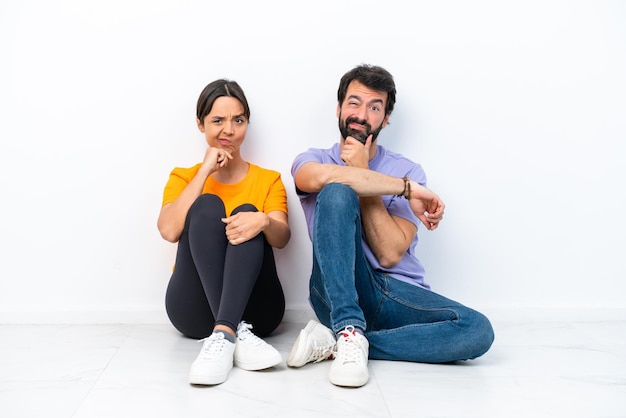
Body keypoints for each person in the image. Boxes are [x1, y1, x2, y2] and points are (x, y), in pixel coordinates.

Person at [286, 64, 494, 388]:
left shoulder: (408, 168)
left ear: (385, 119)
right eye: (354, 102)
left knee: (476, 330)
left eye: (374, 107)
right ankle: (349, 326)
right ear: (339, 108)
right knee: (338, 190)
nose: (362, 114)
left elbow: (389, 254)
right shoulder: (313, 160)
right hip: (334, 291)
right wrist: (403, 188)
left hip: (392, 293)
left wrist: (365, 170)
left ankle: (343, 340)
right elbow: (322, 178)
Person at [157, 79, 290, 386]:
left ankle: (226, 331)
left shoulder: (268, 180)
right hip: (193, 309)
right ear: (200, 124)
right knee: (206, 206)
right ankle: (230, 330)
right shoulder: (184, 177)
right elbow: (168, 229)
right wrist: (204, 172)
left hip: (258, 311)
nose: (229, 130)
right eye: (218, 121)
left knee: (247, 212)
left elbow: (282, 239)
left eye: (238, 120)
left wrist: (264, 222)